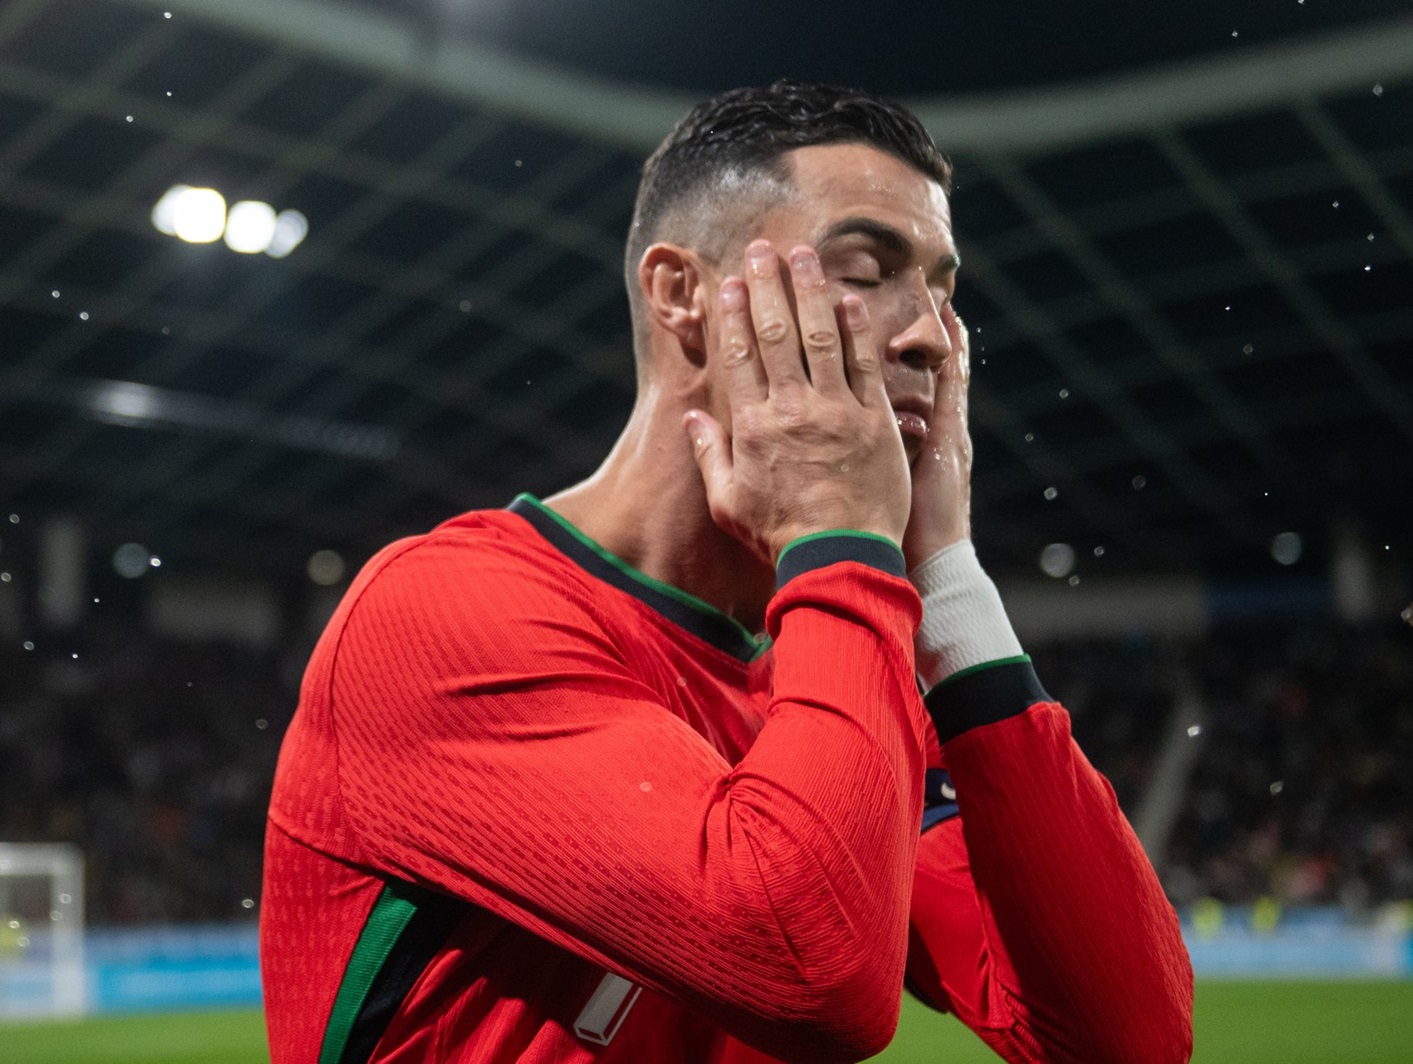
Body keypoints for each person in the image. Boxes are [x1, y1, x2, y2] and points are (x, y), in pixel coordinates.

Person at [261, 82, 1193, 1064]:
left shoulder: (844, 672)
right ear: (681, 293)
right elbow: (809, 974)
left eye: (943, 288)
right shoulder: (443, 613)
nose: (927, 330)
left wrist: (949, 580)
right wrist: (840, 533)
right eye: (867, 267)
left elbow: (1123, 1040)